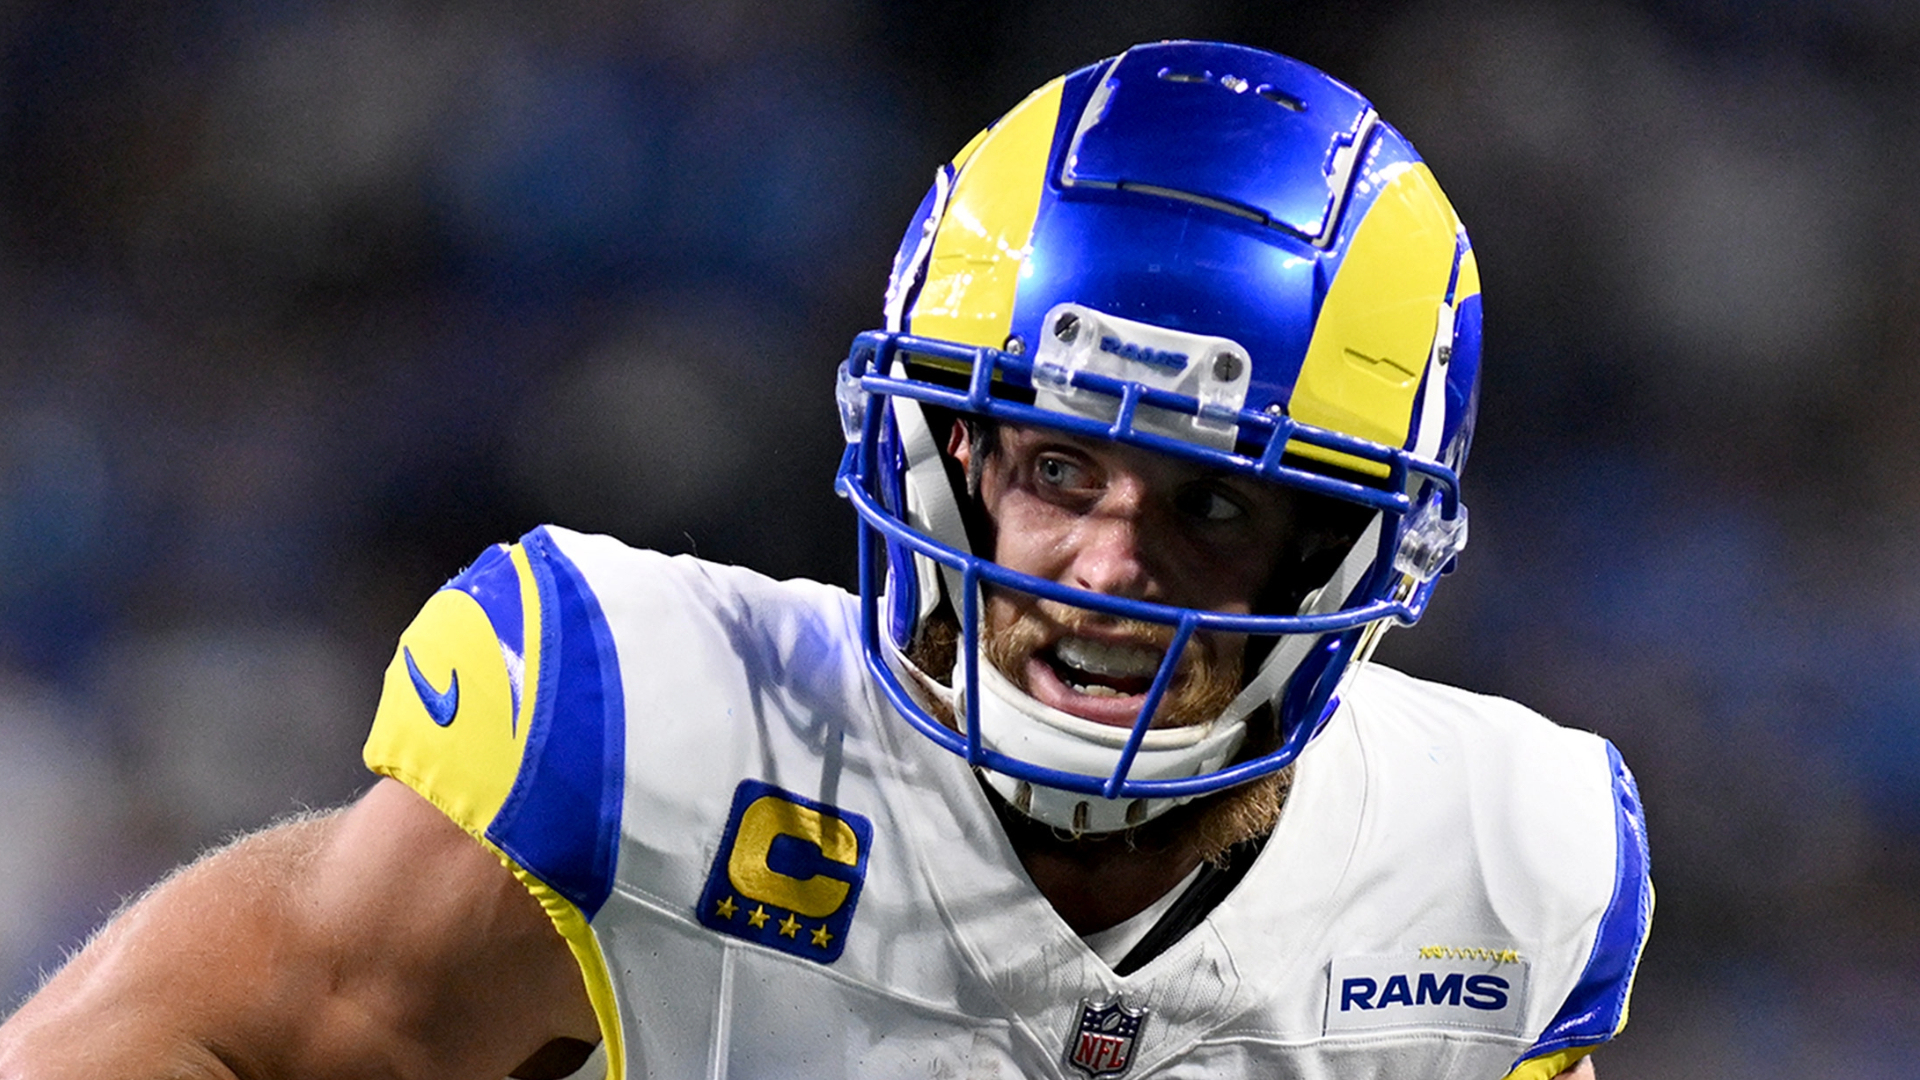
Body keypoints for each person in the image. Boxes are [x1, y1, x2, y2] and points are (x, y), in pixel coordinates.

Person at [0, 40, 1649, 1080]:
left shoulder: (1489, 876)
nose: (1105, 564)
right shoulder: (651, 744)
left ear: (1341, 556)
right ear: (951, 459)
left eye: (1211, 508)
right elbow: (196, 1039)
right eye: (1057, 466)